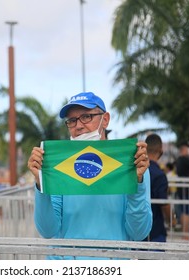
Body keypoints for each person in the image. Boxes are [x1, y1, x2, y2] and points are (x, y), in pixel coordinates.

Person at [27, 92, 152, 259]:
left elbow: (139, 232)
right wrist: (40, 183)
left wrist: (136, 183)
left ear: (105, 119)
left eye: (86, 117)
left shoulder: (132, 164)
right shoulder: (58, 165)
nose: (78, 126)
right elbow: (47, 230)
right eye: (72, 120)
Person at [144, 133, 171, 242]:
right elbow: (163, 203)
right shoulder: (159, 175)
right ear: (160, 149)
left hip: (137, 230)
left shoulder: (136, 171)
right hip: (155, 231)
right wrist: (172, 220)